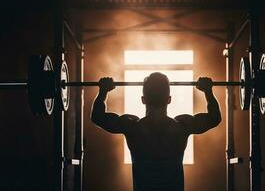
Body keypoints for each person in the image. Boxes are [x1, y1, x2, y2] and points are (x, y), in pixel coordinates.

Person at [91, 72, 221, 191]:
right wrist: (207, 91)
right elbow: (215, 118)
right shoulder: (182, 126)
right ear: (169, 99)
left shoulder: (132, 127)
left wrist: (103, 91)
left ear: (143, 99)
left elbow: (97, 117)